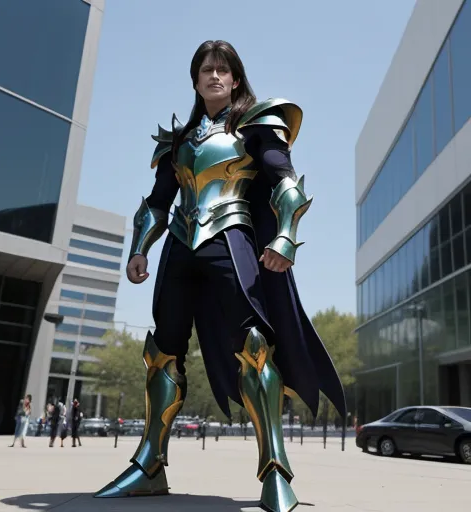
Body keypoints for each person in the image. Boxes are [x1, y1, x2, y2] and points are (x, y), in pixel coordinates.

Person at [95, 40, 345, 512]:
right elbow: (157, 201)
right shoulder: (179, 140)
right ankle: (150, 466)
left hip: (232, 245)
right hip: (178, 251)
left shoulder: (254, 126)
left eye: (222, 70)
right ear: (195, 80)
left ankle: (275, 472)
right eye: (206, 70)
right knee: (162, 353)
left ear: (234, 79)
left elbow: (286, 182)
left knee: (254, 349)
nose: (214, 76)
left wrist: (285, 238)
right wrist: (138, 251)